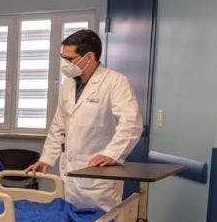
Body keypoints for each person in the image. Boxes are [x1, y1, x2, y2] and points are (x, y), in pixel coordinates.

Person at [25, 29, 143, 211]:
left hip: (98, 178)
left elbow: (132, 122)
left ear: (89, 57)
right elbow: (59, 124)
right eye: (64, 58)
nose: (65, 64)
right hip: (69, 173)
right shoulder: (69, 84)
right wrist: (47, 158)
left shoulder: (115, 82)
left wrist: (111, 154)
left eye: (70, 59)